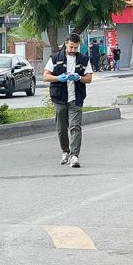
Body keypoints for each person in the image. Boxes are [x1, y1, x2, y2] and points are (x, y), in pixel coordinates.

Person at [44, 33, 94, 168]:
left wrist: (79, 78)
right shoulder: (55, 58)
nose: (73, 50)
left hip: (76, 98)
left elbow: (89, 79)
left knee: (75, 127)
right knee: (61, 128)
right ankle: (65, 151)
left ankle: (74, 156)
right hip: (59, 98)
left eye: (75, 48)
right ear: (66, 44)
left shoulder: (84, 59)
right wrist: (59, 78)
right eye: (71, 47)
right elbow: (46, 76)